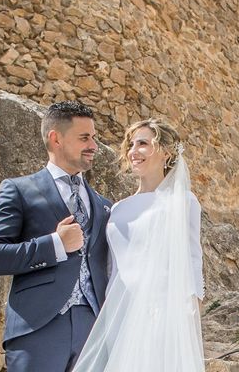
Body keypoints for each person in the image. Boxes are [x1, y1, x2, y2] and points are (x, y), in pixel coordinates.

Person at [0, 101, 112, 372]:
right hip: (38, 327)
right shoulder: (19, 189)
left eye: (94, 138)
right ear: (56, 138)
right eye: (84, 137)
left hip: (94, 330)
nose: (93, 146)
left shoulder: (103, 204)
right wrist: (55, 245)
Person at [72, 118, 205, 371]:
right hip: (118, 312)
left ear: (165, 152)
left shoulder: (183, 202)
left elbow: (192, 260)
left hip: (160, 311)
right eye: (131, 144)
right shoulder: (118, 209)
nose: (133, 151)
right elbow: (111, 266)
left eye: (143, 143)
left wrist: (190, 314)